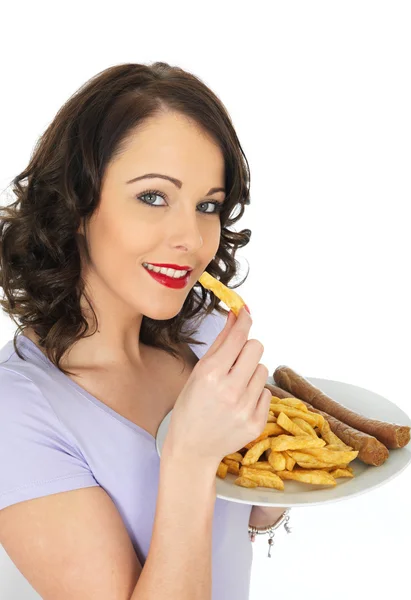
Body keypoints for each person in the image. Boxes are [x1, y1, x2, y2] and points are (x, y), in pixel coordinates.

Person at [0, 62, 289, 600]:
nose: (191, 237)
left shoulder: (203, 336)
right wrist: (191, 458)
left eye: (208, 205)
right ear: (77, 202)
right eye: (153, 196)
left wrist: (273, 466)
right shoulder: (15, 413)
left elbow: (243, 526)